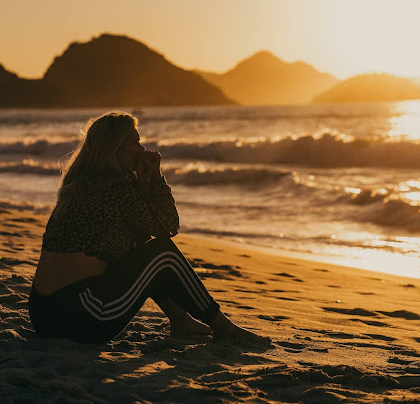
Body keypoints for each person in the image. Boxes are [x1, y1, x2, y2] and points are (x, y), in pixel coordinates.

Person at [29, 111, 260, 344]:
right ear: (115, 149)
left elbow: (136, 240)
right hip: (83, 314)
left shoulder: (80, 185)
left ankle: (180, 320)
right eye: (135, 143)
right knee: (164, 254)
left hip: (43, 313)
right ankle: (222, 326)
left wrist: (142, 184)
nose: (141, 149)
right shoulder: (116, 190)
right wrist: (157, 179)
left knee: (145, 250)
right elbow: (168, 227)